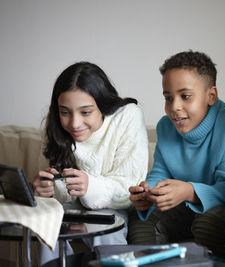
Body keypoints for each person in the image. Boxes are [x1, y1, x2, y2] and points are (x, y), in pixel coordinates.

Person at [128, 50, 225, 258]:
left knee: (208, 222)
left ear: (211, 96)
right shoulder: (166, 127)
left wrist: (189, 191)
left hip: (224, 209)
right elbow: (160, 172)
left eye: (185, 96)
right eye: (168, 97)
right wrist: (149, 193)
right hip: (183, 209)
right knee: (141, 220)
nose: (174, 107)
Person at [33, 61, 148, 264]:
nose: (74, 123)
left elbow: (131, 190)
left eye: (85, 112)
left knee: (107, 229)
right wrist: (51, 190)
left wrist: (90, 186)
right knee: (45, 224)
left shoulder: (128, 116)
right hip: (70, 213)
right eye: (65, 112)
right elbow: (65, 196)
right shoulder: (58, 127)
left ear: (103, 105)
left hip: (112, 210)